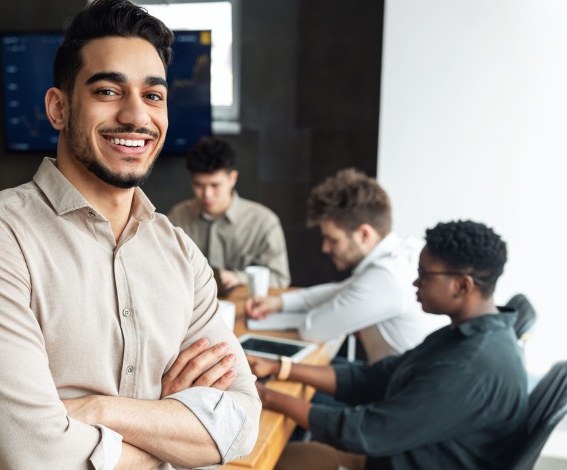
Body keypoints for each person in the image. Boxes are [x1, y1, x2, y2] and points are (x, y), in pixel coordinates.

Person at [0, 1, 260, 468]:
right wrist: (170, 424)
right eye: (108, 90)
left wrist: (95, 411)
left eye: (153, 95)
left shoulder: (181, 254)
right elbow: (37, 457)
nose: (135, 116)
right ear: (59, 107)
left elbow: (240, 425)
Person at [248, 220, 527, 470]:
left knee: (264, 459)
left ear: (462, 286)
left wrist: (269, 397)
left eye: (424, 274)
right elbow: (379, 377)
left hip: (393, 455)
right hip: (399, 453)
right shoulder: (466, 334)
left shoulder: (472, 365)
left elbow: (366, 433)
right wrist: (280, 368)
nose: (416, 282)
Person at [246, 168, 446, 363]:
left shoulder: (387, 277)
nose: (325, 248)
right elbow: (344, 290)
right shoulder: (402, 252)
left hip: (393, 392)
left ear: (364, 234)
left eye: (333, 240)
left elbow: (313, 330)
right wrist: (280, 303)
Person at [168, 136, 291, 290]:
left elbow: (279, 278)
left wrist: (238, 277)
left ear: (233, 178)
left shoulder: (264, 222)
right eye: (199, 185)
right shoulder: (178, 217)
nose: (207, 194)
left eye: (215, 185)